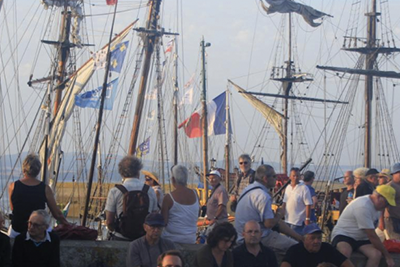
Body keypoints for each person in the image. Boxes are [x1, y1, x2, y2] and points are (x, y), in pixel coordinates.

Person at [235, 164, 302, 255]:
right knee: (297, 249)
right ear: (266, 179)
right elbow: (269, 224)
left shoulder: (248, 189)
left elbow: (275, 223)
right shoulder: (263, 196)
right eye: (274, 176)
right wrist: (280, 214)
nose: (276, 179)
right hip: (258, 237)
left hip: (241, 235)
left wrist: (298, 237)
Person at [331, 185, 396, 267]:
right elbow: (371, 235)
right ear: (379, 197)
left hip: (362, 238)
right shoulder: (363, 205)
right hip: (345, 234)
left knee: (376, 254)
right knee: (344, 252)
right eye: (386, 203)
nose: (386, 206)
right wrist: (387, 256)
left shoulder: (378, 207)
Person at [8, 154, 68, 238]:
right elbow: (57, 214)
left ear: (24, 169)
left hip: (17, 230)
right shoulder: (45, 189)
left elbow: (13, 208)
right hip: (38, 231)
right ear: (38, 171)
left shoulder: (13, 186)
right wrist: (68, 225)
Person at [105, 155, 158, 241]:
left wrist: (115, 230)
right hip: (142, 238)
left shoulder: (115, 191)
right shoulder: (150, 191)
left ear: (121, 173)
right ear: (138, 172)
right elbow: (154, 215)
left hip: (121, 237)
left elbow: (109, 221)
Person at [281, 223, 354, 267]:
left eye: (319, 238)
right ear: (304, 239)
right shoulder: (294, 250)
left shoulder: (327, 248)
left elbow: (347, 263)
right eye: (312, 238)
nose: (317, 241)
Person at [161, 165, 199, 244]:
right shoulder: (195, 194)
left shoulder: (168, 198)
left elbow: (164, 222)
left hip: (171, 239)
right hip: (191, 238)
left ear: (173, 179)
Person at [281, 167, 313, 234]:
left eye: (297, 176)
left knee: (296, 241)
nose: (295, 177)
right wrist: (281, 213)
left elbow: (308, 204)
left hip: (298, 222)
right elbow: (284, 202)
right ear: (290, 177)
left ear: (300, 177)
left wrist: (307, 219)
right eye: (294, 176)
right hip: (287, 220)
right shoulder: (288, 188)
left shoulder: (304, 188)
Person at [381, 163, 400, 240]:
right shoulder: (390, 187)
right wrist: (381, 221)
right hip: (392, 219)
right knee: (395, 240)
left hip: (398, 218)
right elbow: (382, 205)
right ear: (394, 174)